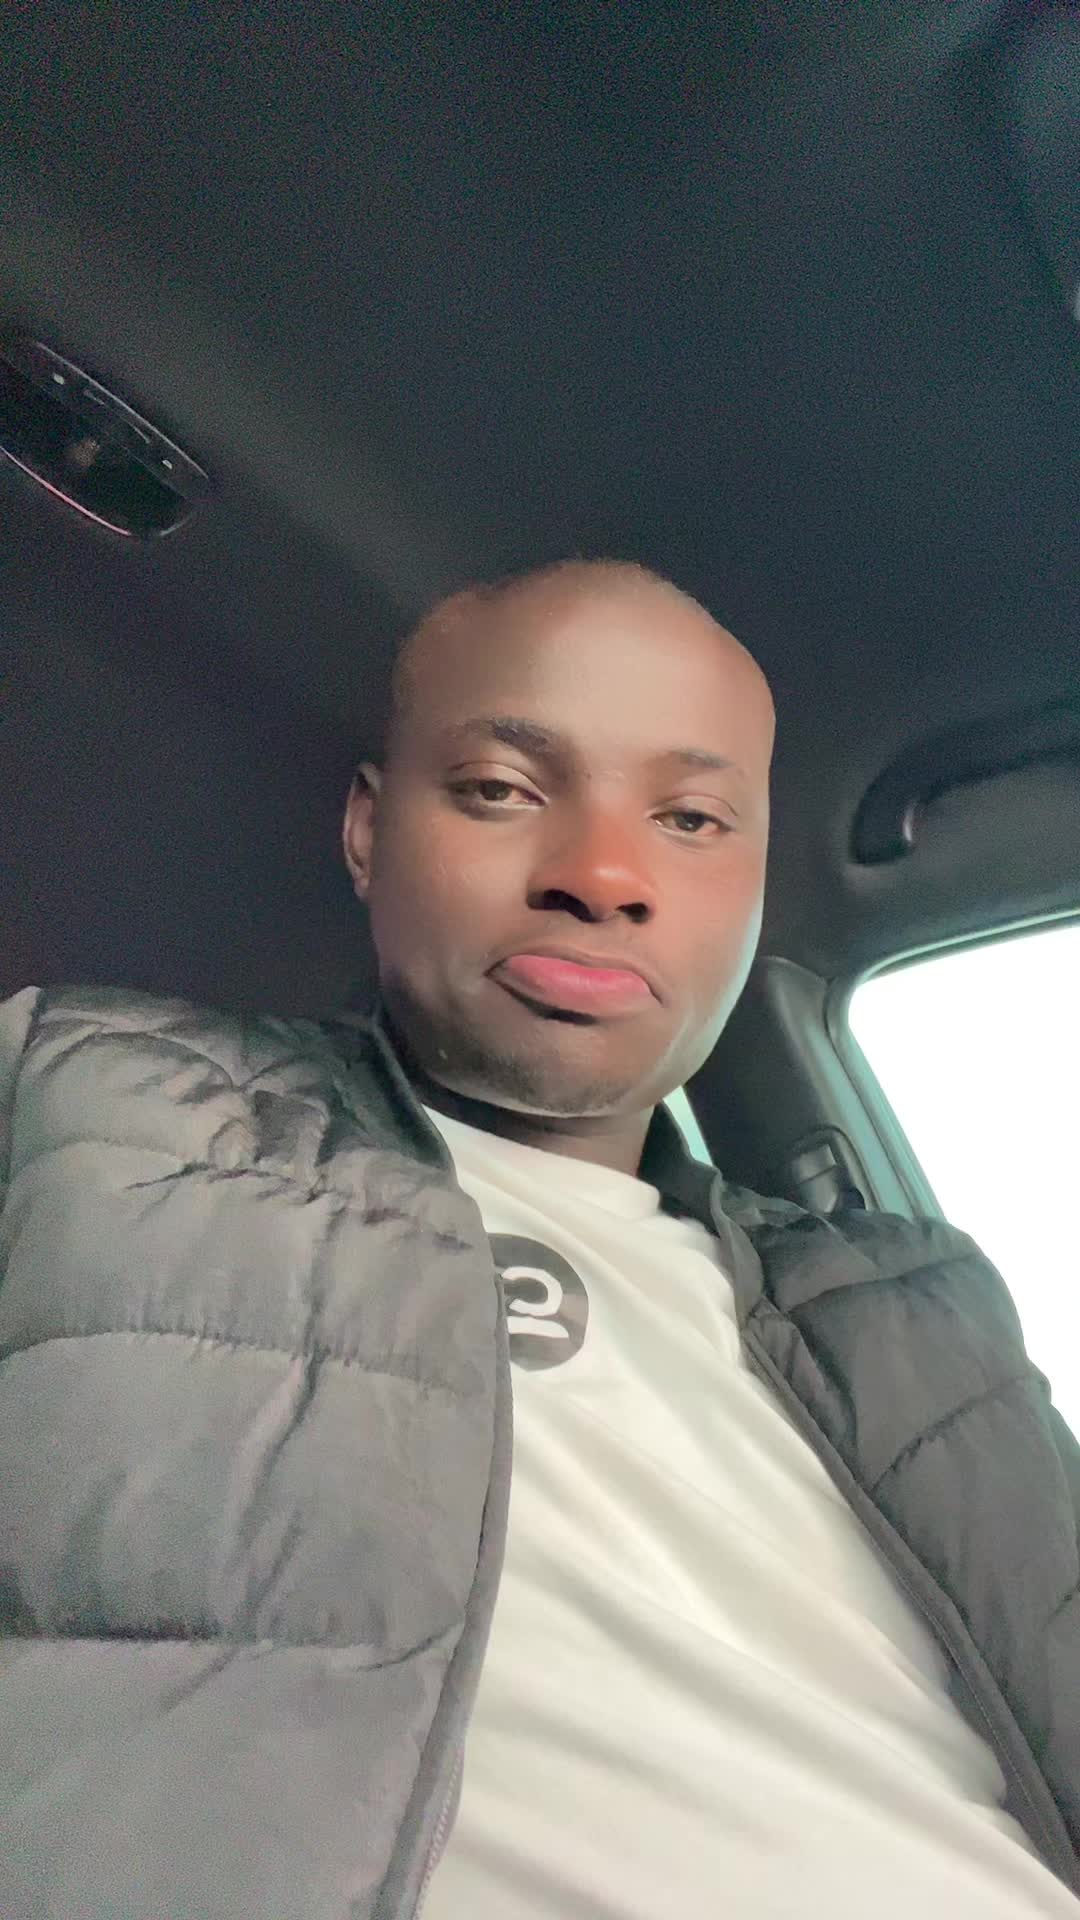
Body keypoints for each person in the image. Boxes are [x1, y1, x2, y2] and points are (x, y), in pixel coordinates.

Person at [0, 560, 1076, 1920]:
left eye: (690, 820)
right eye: (503, 789)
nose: (603, 876)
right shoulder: (87, 1110)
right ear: (368, 832)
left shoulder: (924, 1303)